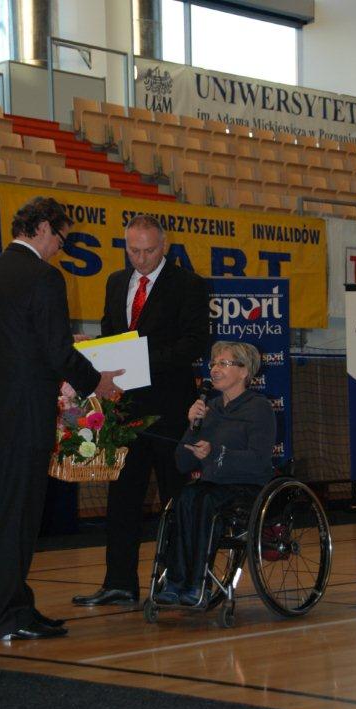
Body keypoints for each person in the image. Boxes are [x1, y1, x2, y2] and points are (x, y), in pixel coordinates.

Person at [0, 195, 123, 642]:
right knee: (17, 521)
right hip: (23, 417)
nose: (59, 248)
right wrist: (97, 382)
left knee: (6, 519)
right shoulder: (43, 276)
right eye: (60, 238)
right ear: (41, 229)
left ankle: (17, 608)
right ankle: (7, 617)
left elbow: (20, 343)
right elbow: (56, 352)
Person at [73, 214, 209, 607]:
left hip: (171, 410)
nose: (141, 258)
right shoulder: (116, 282)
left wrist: (138, 358)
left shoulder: (189, 285)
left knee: (175, 496)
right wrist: (93, 348)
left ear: (163, 246)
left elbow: (194, 344)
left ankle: (181, 582)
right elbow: (111, 334)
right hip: (126, 409)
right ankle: (118, 582)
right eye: (133, 250)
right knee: (122, 498)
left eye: (149, 250)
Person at [156, 341, 276, 606]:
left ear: (244, 371)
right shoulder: (208, 409)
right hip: (212, 485)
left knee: (205, 501)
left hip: (247, 487)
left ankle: (198, 584)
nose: (215, 369)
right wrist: (192, 426)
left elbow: (258, 460)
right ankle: (175, 582)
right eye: (213, 364)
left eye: (224, 363)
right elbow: (182, 463)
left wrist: (216, 453)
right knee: (185, 497)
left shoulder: (259, 408)